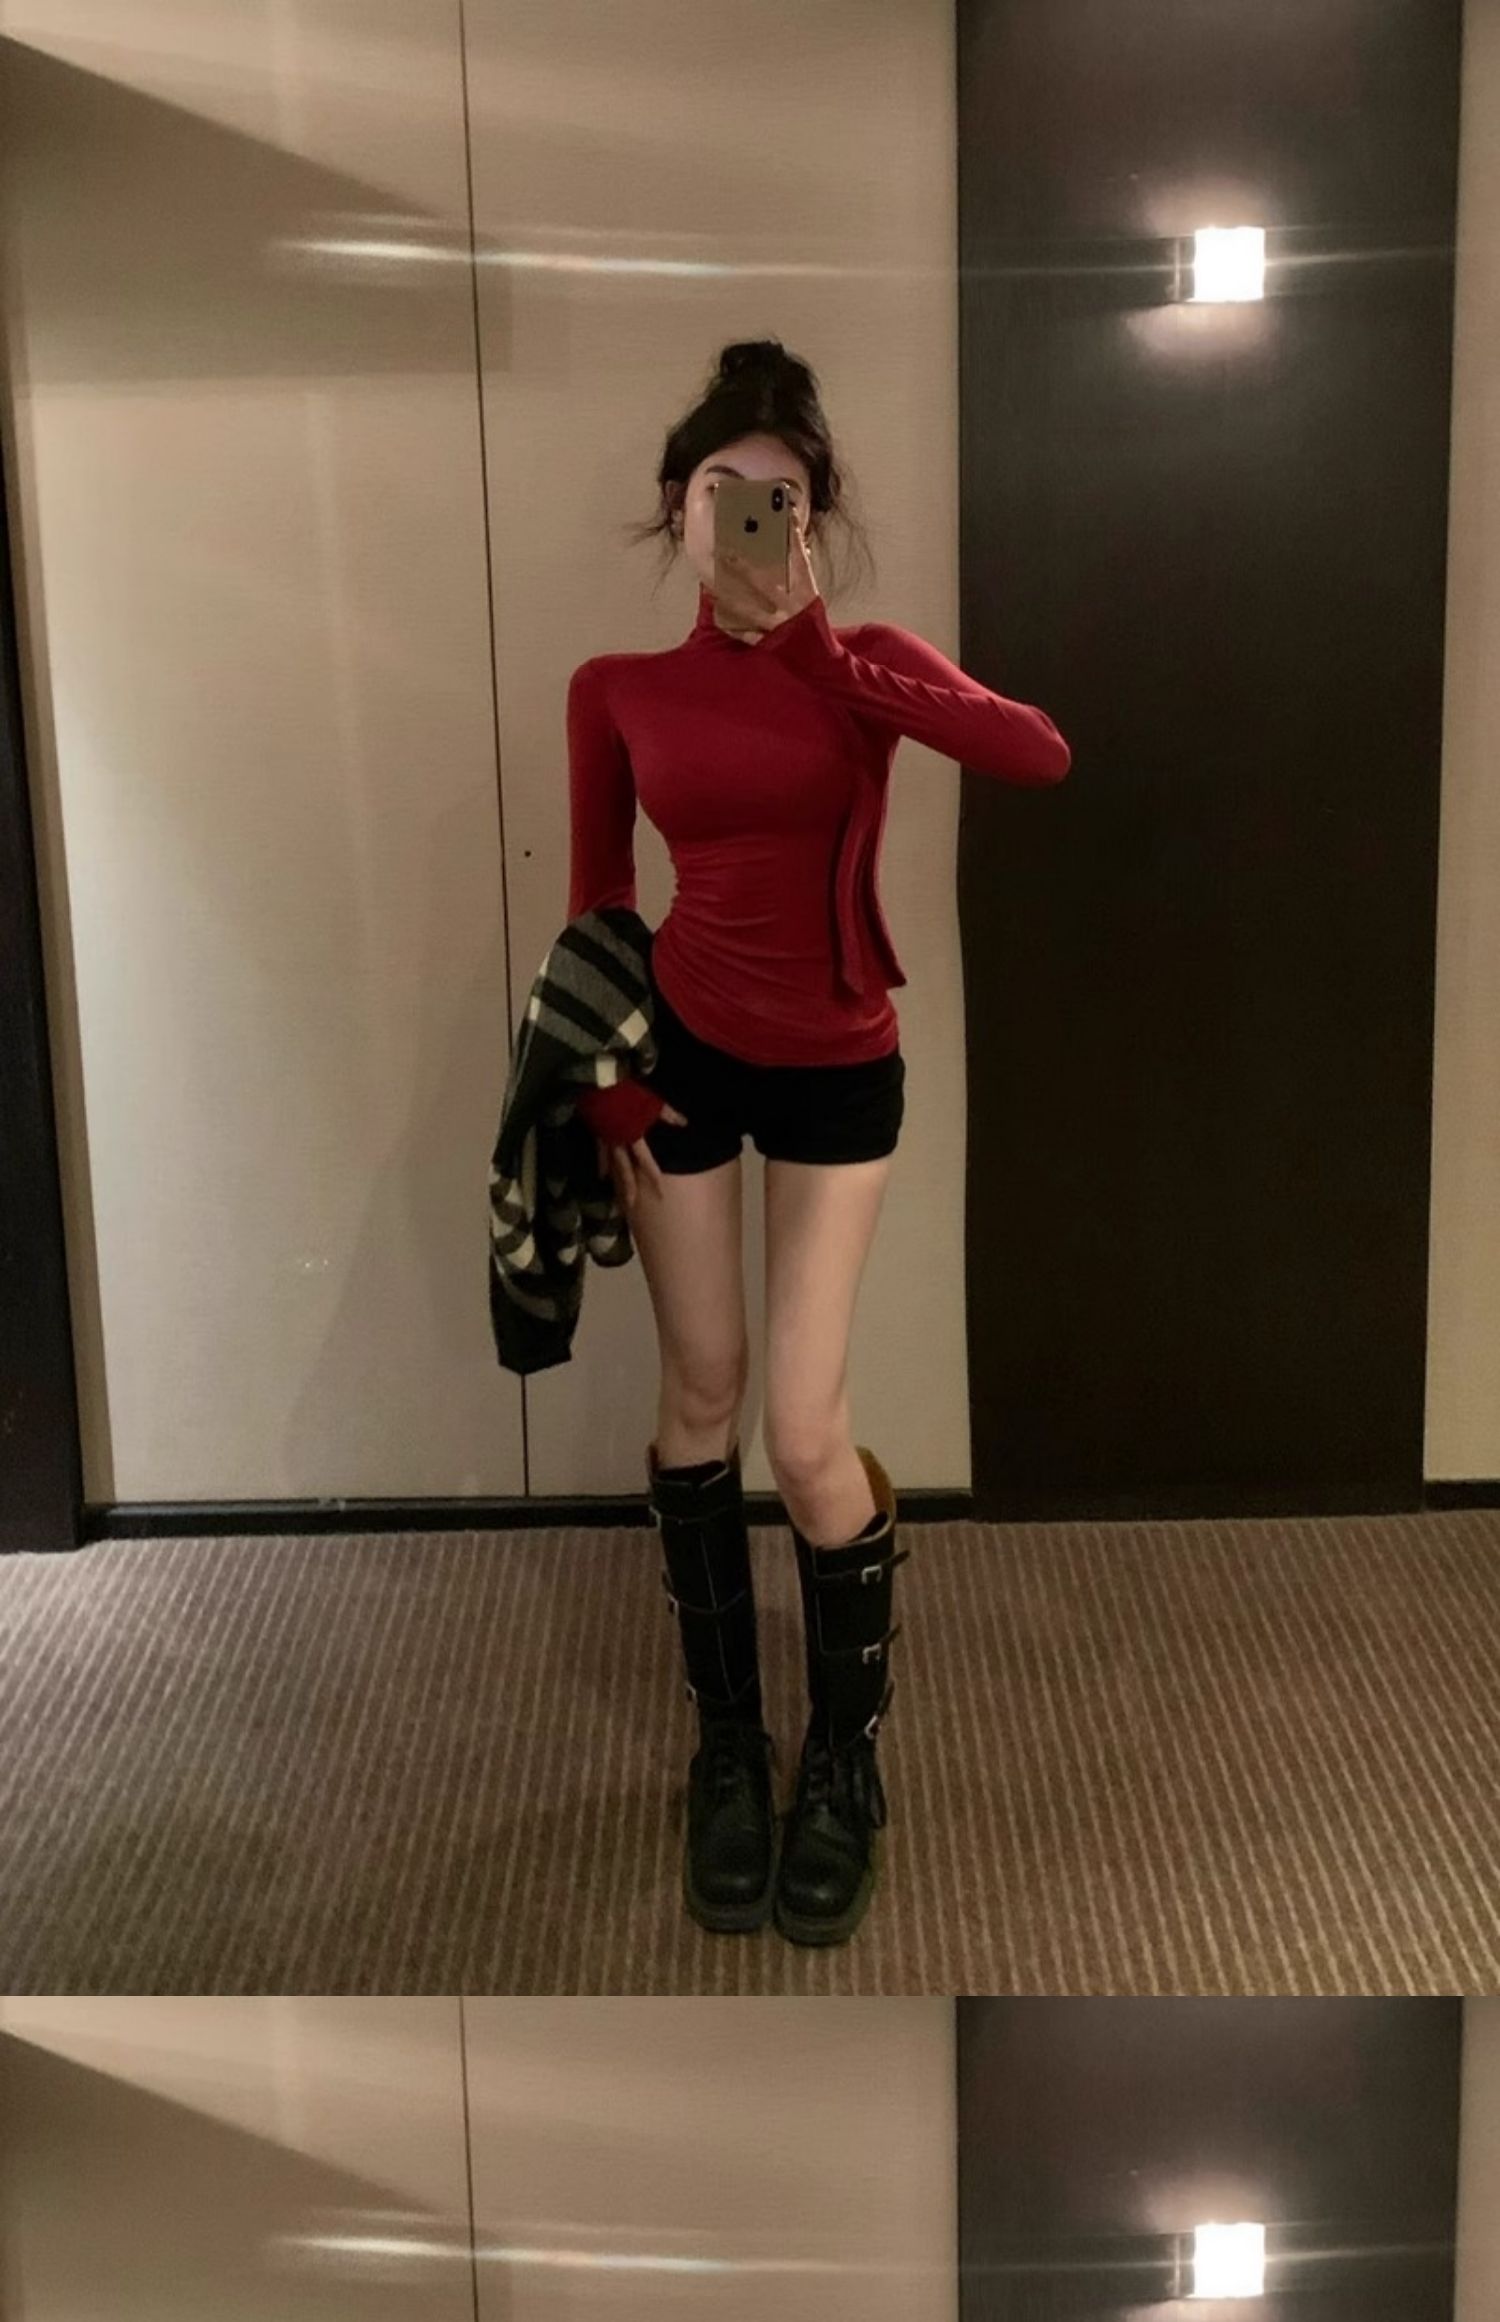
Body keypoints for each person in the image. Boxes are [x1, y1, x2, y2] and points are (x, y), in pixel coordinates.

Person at [565, 336, 1071, 1946]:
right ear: (678, 504)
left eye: (780, 498)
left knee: (802, 1429)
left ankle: (845, 1761)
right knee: (699, 1397)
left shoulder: (866, 664)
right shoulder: (617, 690)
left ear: (816, 516)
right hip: (686, 1063)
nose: (749, 522)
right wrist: (610, 1086)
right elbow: (601, 902)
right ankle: (729, 1745)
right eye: (724, 492)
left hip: (842, 1070)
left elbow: (1034, 750)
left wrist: (819, 654)